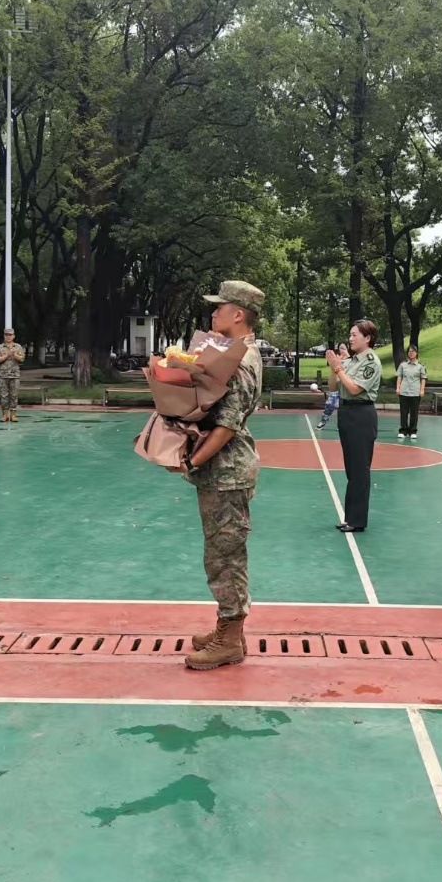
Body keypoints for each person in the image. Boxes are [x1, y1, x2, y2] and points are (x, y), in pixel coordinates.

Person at [178, 280, 264, 671]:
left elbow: (228, 425)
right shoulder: (233, 353)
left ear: (238, 314)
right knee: (221, 552)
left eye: (219, 308)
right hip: (224, 472)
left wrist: (192, 460)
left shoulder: (241, 360)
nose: (213, 313)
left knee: (225, 557)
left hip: (227, 472)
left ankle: (229, 640)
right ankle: (229, 630)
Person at [326, 320, 381, 533]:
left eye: (354, 334)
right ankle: (350, 517)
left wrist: (339, 368)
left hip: (361, 414)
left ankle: (357, 520)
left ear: (367, 338)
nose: (350, 338)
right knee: (351, 468)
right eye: (349, 334)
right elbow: (334, 387)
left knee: (360, 469)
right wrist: (334, 369)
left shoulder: (370, 361)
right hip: (346, 412)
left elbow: (355, 389)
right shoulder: (350, 361)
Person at [314, 341, 348, 430]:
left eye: (344, 348)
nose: (342, 350)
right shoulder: (337, 360)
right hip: (336, 388)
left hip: (346, 389)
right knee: (329, 405)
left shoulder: (352, 361)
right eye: (341, 348)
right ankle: (323, 422)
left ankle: (341, 425)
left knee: (344, 409)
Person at [0, 328, 25, 422]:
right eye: (6, 335)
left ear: (13, 336)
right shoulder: (0, 347)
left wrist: (14, 354)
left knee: (14, 395)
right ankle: (4, 414)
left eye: (10, 335)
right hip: (3, 375)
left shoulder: (18, 347)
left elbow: (21, 359)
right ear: (4, 336)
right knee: (4, 396)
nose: (8, 337)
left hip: (14, 375)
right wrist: (7, 355)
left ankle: (13, 414)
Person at [395, 345, 427, 440]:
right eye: (409, 351)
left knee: (414, 413)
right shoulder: (403, 365)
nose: (411, 353)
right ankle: (403, 431)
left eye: (413, 351)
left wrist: (422, 390)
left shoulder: (421, 366)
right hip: (404, 391)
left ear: (416, 353)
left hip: (415, 392)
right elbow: (399, 377)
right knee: (404, 412)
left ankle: (413, 431)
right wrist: (398, 388)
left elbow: (423, 379)